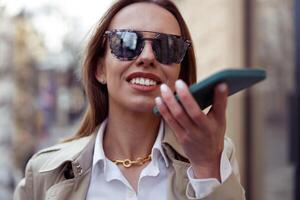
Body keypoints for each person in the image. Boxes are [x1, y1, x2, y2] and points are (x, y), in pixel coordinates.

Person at [14, 0, 245, 199]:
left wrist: (206, 168)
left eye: (167, 47)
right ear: (100, 68)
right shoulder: (45, 173)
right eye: (126, 42)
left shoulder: (214, 155)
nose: (147, 56)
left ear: (179, 75)